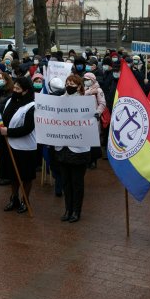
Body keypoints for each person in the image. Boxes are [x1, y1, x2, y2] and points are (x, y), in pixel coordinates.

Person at [56, 75, 92, 223]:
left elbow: (88, 122)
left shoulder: (85, 102)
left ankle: (76, 211)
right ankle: (67, 209)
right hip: (63, 146)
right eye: (67, 83)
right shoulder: (59, 101)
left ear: (78, 86)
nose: (69, 85)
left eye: (72, 83)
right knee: (66, 181)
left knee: (77, 182)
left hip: (78, 148)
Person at [0, 77, 37, 214]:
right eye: (14, 88)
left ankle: (25, 200)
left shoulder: (32, 106)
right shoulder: (10, 101)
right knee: (13, 175)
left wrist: (8, 131)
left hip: (25, 147)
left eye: (18, 89)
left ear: (26, 91)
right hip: (9, 145)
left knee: (25, 176)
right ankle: (14, 198)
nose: (14, 91)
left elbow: (28, 128)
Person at [83, 72, 106, 169]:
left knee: (93, 140)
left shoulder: (98, 90)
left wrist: (98, 112)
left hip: (93, 118)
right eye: (84, 79)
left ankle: (93, 161)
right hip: (84, 118)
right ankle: (86, 160)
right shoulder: (82, 89)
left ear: (92, 80)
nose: (86, 81)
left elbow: (102, 103)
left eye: (87, 79)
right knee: (85, 139)